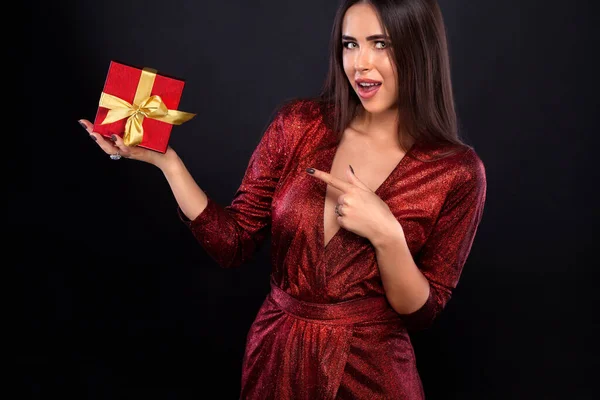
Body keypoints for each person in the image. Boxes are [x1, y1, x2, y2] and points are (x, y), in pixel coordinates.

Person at [79, 0, 487, 398]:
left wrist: (387, 236)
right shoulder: (298, 125)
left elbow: (422, 312)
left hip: (373, 371)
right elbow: (233, 244)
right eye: (350, 44)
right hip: (277, 355)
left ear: (420, 46)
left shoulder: (456, 171)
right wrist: (168, 163)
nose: (360, 63)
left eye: (381, 44)